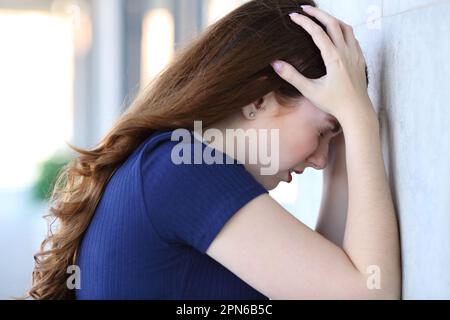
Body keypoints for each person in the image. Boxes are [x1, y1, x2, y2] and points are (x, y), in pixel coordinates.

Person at [29, 0, 401, 299]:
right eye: (322, 132)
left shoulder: (167, 162)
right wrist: (361, 120)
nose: (321, 159)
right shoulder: (186, 171)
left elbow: (325, 281)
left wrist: (345, 129)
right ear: (258, 98)